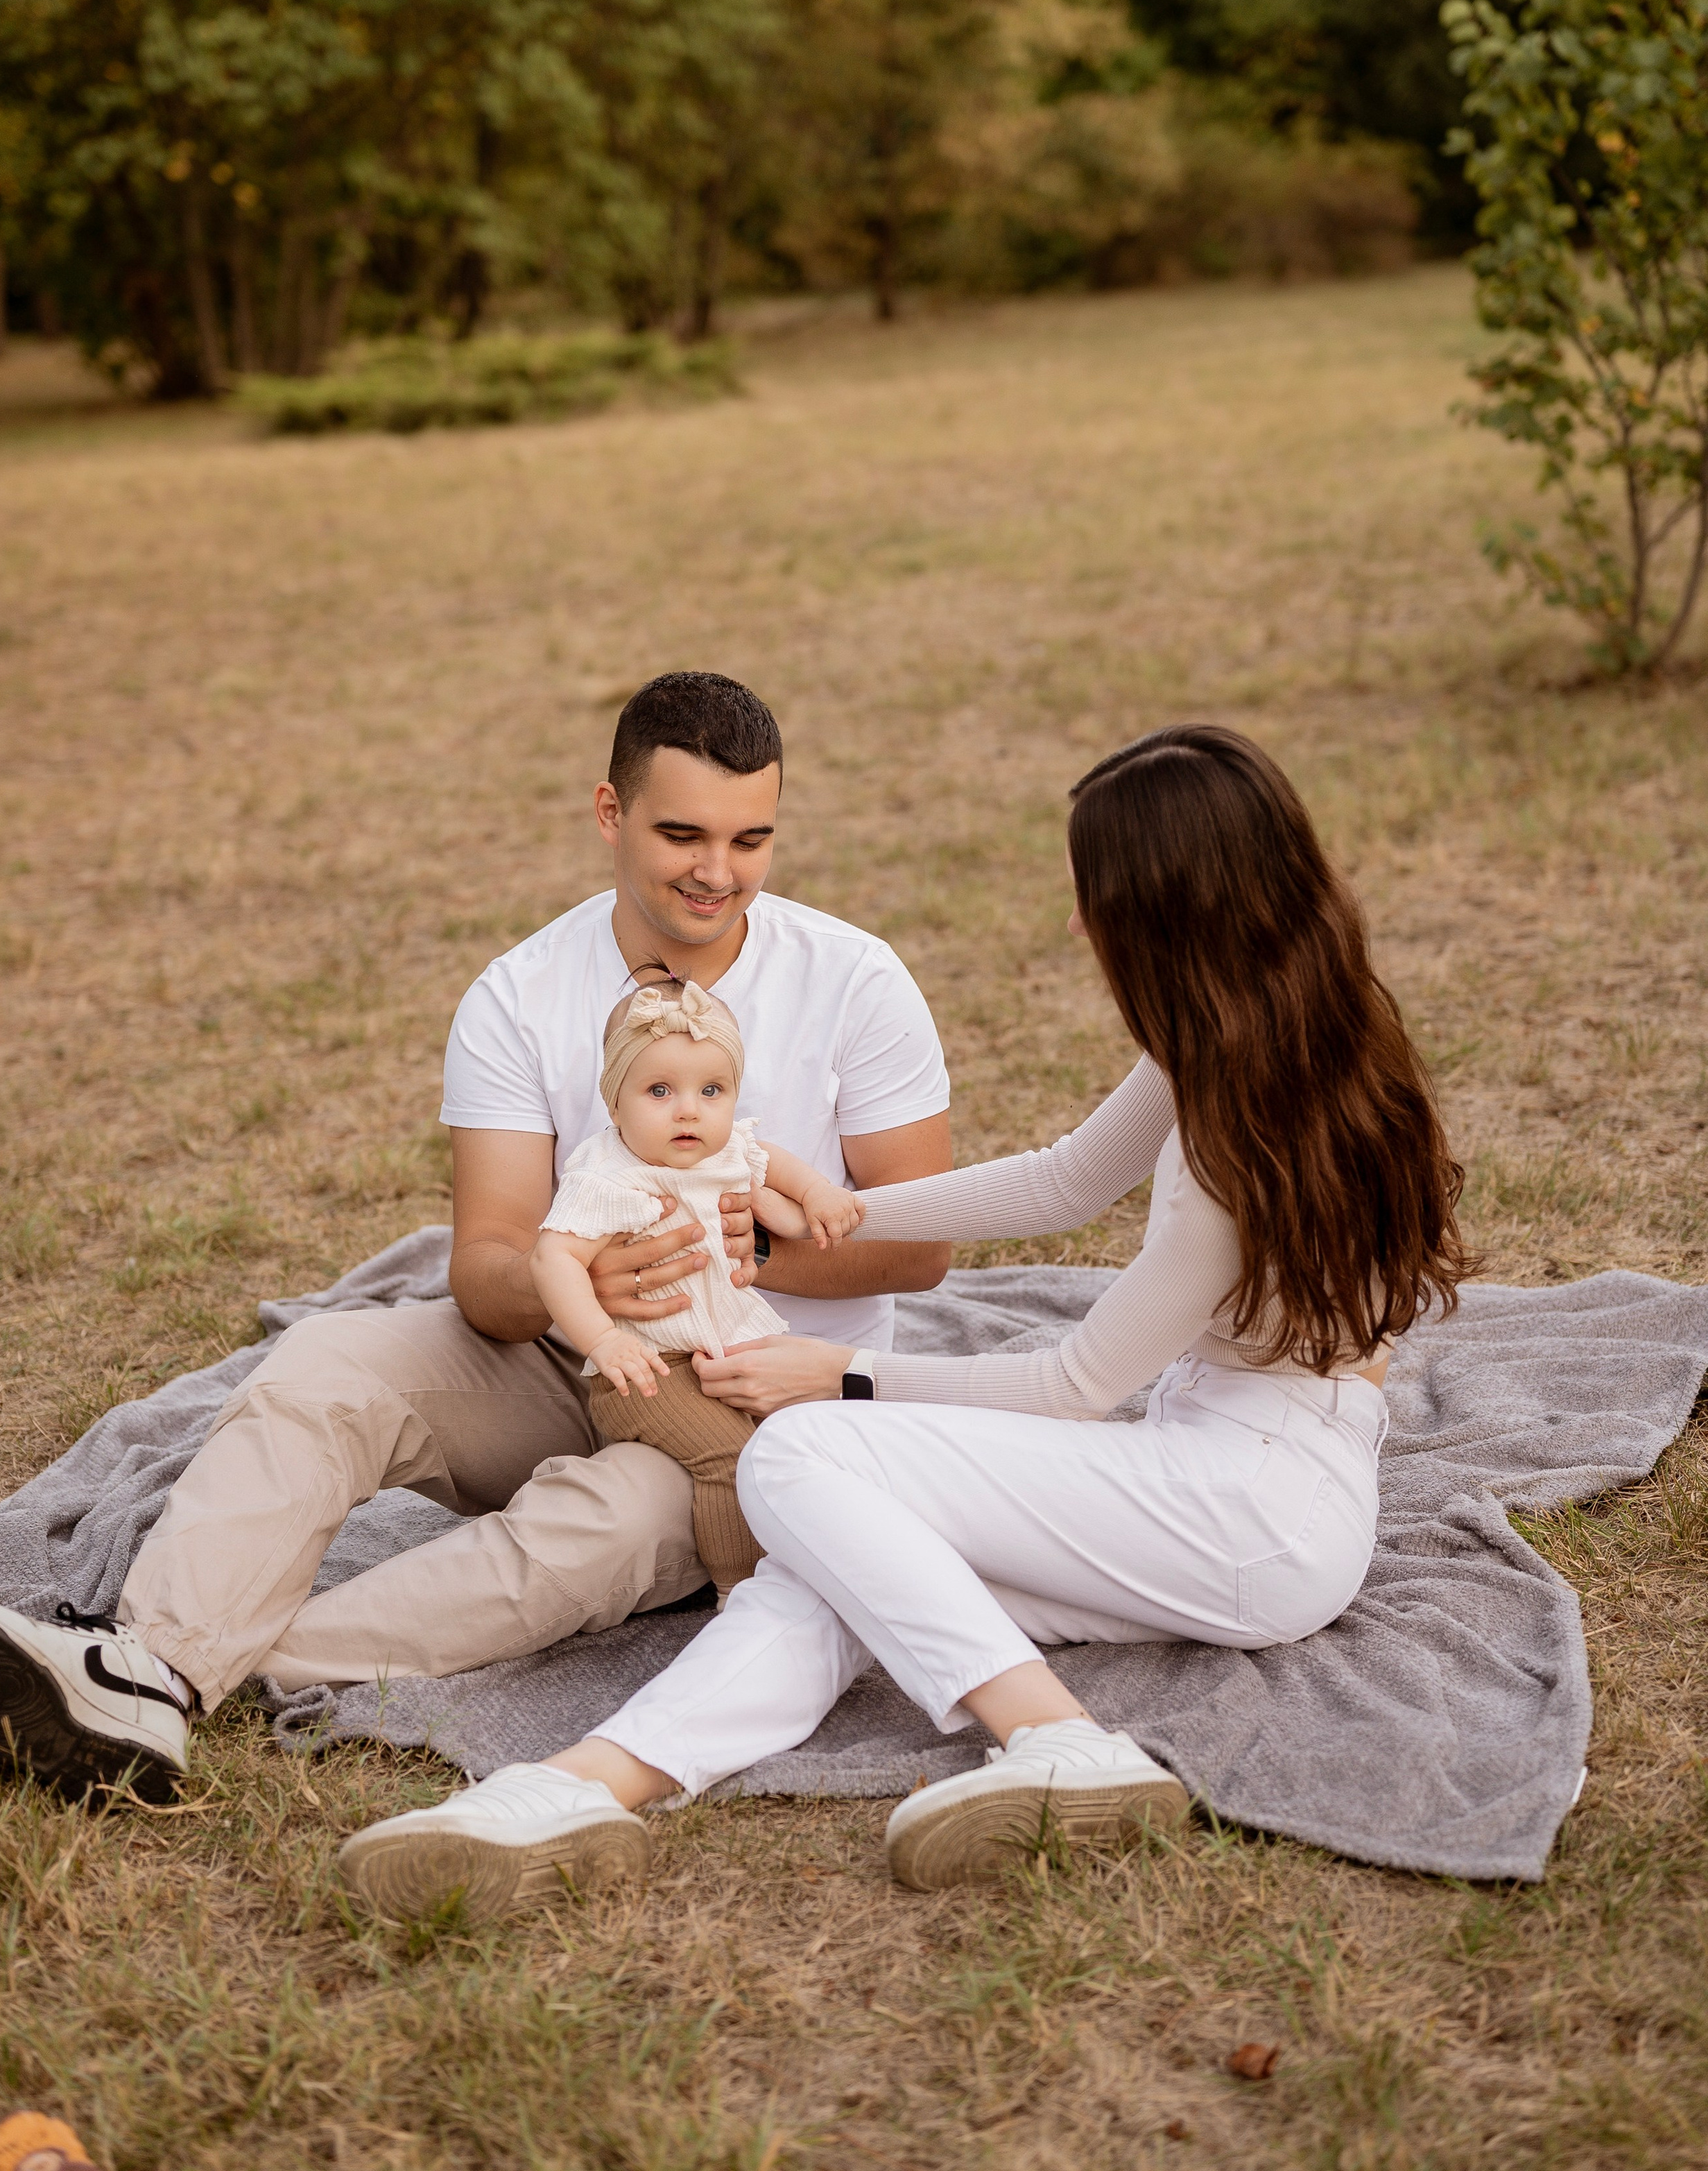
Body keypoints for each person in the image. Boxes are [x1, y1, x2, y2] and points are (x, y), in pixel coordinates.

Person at [336, 723, 1476, 1916]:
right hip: (1220, 1489)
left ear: (1166, 911)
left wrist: (839, 1374)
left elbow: (1075, 1384)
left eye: (1096, 897)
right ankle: (575, 1789)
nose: (1080, 926)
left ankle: (1058, 1738)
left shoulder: (1246, 1126)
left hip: (1251, 1508)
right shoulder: (1242, 1036)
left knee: (801, 1454)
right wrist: (814, 1209)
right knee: (839, 1559)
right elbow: (1061, 1179)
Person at [0, 673, 951, 1802]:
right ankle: (148, 1661)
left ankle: (191, 1671)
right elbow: (487, 1268)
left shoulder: (855, 978)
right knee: (325, 1362)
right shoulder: (520, 993)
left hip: (757, 1414)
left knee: (613, 1522)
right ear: (610, 814)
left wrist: (747, 1250)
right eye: (683, 833)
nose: (720, 870)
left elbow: (922, 1246)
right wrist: (591, 1279)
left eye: (750, 837)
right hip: (573, 1351)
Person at [535, 975, 862, 1596]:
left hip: (731, 1346)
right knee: (732, 1461)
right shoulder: (609, 1177)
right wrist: (604, 1341)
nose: (689, 1109)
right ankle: (742, 1593)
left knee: (806, 1437)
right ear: (614, 1103)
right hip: (647, 1369)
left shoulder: (727, 1149)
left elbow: (775, 1169)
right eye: (659, 1090)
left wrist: (819, 1196)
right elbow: (554, 1258)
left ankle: (827, 1563)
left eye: (711, 1090)